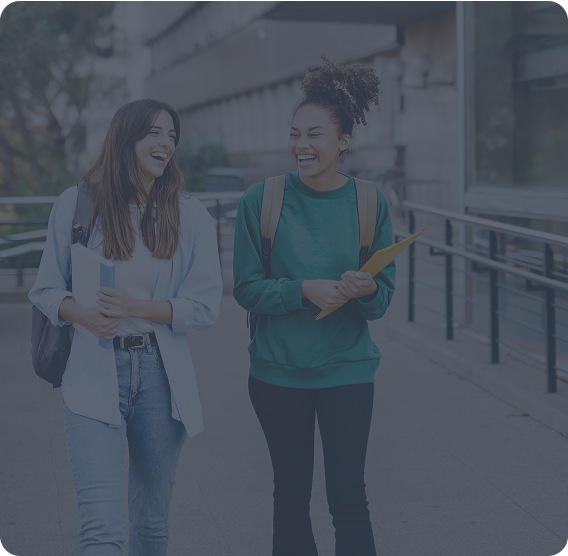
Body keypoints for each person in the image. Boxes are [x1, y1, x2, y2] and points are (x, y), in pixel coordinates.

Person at [28, 99, 223, 555]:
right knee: (102, 529)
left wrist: (139, 306)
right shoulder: (78, 204)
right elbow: (46, 290)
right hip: (94, 371)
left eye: (172, 135)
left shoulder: (190, 215)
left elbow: (204, 307)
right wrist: (84, 315)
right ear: (125, 138)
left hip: (159, 375)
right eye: (155, 132)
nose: (166, 143)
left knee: (152, 527)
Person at [232, 57, 395, 556]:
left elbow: (382, 298)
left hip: (347, 371)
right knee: (291, 499)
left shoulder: (371, 202)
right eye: (295, 134)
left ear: (343, 140)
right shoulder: (261, 200)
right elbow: (245, 288)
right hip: (277, 373)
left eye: (315, 134)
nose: (302, 145)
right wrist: (303, 289)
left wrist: (365, 290)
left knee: (349, 499)